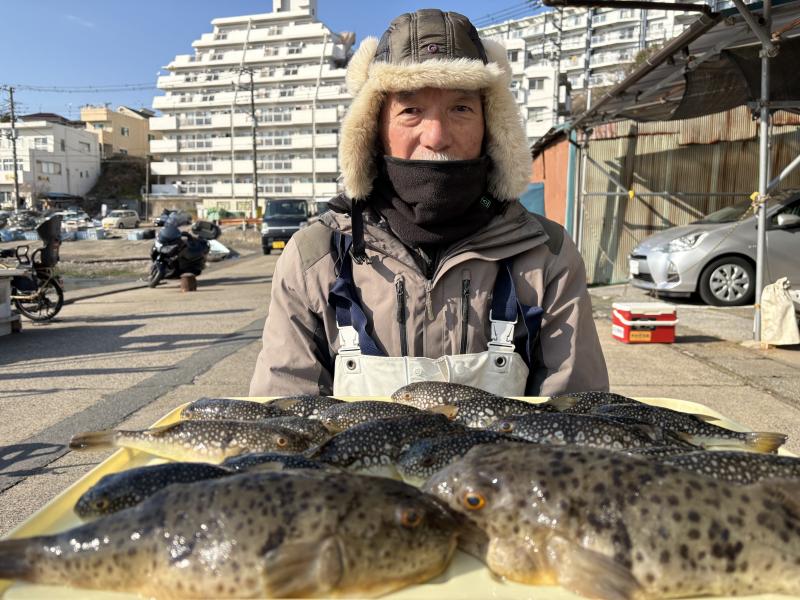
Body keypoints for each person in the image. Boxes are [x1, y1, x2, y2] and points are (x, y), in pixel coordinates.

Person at [250, 9, 608, 398]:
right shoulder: (315, 258)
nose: (436, 136)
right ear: (374, 129)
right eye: (411, 111)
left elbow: (575, 421)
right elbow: (282, 427)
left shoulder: (547, 255)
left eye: (461, 108)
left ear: (492, 127)